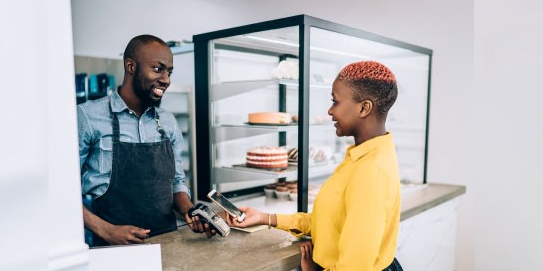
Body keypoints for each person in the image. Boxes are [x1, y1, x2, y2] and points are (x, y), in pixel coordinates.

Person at [227, 61, 404, 271]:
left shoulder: (371, 171)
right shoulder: (363, 155)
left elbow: (355, 267)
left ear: (364, 108)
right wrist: (266, 218)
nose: (330, 111)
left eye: (335, 102)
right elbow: (330, 221)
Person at [78, 34, 214, 247]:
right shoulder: (88, 117)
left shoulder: (168, 122)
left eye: (169, 72)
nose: (166, 80)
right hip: (112, 248)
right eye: (158, 69)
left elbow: (177, 182)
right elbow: (62, 190)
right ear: (131, 66)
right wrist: (106, 230)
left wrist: (191, 210)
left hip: (168, 245)